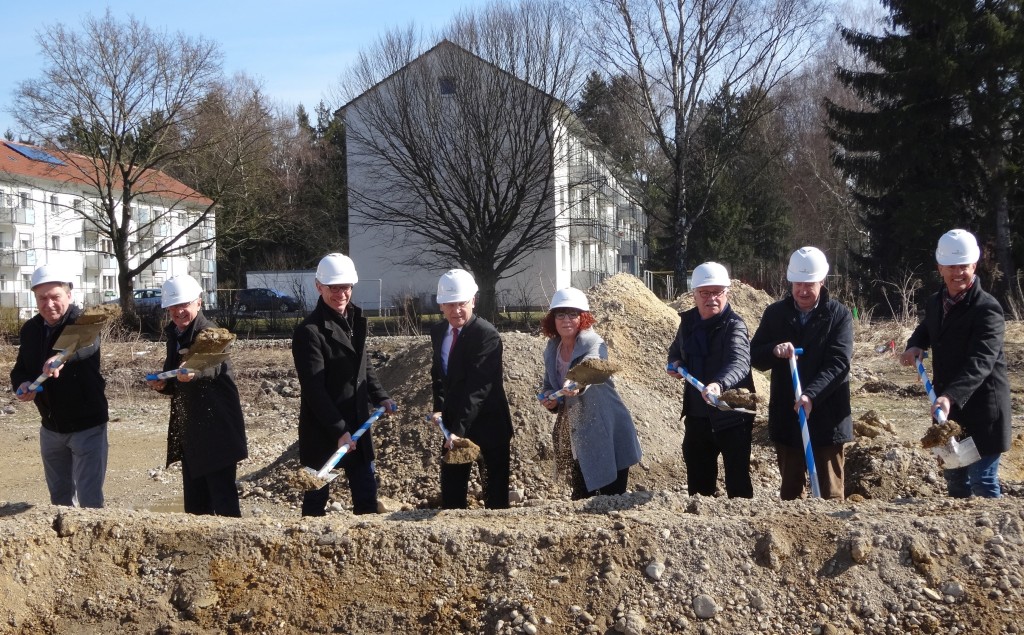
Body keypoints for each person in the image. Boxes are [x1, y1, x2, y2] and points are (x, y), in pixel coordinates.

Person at [899, 229, 1010, 498]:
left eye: (964, 266)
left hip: (984, 409)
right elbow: (928, 327)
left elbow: (981, 362)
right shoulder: (937, 301)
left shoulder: (988, 309)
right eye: (951, 266)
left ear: (974, 265)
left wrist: (950, 396)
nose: (958, 272)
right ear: (940, 268)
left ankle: (994, 535)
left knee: (982, 480)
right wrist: (915, 344)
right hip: (948, 411)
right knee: (956, 482)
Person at [293, 253, 396, 516]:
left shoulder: (356, 319)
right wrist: (338, 429)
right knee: (316, 497)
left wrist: (380, 395)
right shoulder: (309, 332)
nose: (340, 294)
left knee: (366, 495)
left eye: (345, 287)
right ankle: (309, 547)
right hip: (324, 425)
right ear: (319, 287)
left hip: (358, 421)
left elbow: (363, 364)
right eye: (333, 288)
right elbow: (314, 389)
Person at [750, 247, 853, 500]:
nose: (803, 291)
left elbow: (839, 363)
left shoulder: (838, 316)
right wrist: (774, 350)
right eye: (798, 284)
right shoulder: (775, 314)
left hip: (828, 416)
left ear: (822, 281)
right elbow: (754, 355)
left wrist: (811, 396)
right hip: (788, 415)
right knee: (790, 495)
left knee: (830, 493)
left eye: (809, 284)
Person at [145, 275, 248, 516]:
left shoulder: (211, 333)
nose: (179, 311)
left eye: (184, 305)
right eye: (174, 306)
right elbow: (176, 375)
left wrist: (195, 373)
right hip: (192, 432)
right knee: (195, 507)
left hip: (218, 430)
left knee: (223, 502)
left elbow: (212, 365)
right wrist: (164, 384)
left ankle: (232, 549)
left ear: (198, 303)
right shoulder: (176, 334)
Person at [10, 263, 109, 508]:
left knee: (89, 501)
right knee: (59, 499)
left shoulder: (83, 323)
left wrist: (62, 357)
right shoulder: (31, 329)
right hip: (51, 427)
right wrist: (22, 384)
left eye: (55, 297)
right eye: (42, 298)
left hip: (87, 426)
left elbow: (86, 347)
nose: (49, 304)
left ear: (69, 294)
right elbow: (20, 368)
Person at [539, 287, 641, 499]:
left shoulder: (594, 342)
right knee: (581, 498)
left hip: (606, 428)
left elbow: (592, 366)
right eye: (560, 314)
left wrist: (576, 381)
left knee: (611, 499)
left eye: (572, 314)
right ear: (553, 319)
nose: (566, 319)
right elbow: (549, 384)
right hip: (578, 433)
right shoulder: (552, 348)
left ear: (582, 318)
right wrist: (551, 400)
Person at [666, 262, 755, 498]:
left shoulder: (734, 326)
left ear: (727, 293)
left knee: (738, 485)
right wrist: (675, 363)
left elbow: (740, 363)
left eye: (717, 292)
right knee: (699, 486)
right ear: (694, 295)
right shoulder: (688, 323)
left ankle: (741, 526)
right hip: (697, 418)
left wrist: (719, 384)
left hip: (732, 417)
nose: (711, 298)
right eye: (705, 293)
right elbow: (676, 351)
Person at [428, 269, 514, 509]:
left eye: (462, 304)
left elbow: (479, 387)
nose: (457, 310)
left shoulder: (486, 335)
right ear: (441, 306)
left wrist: (458, 430)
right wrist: (439, 407)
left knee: (495, 497)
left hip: (489, 426)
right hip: (455, 425)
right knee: (452, 495)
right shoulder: (438, 332)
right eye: (450, 304)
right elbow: (439, 375)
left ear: (473, 301)